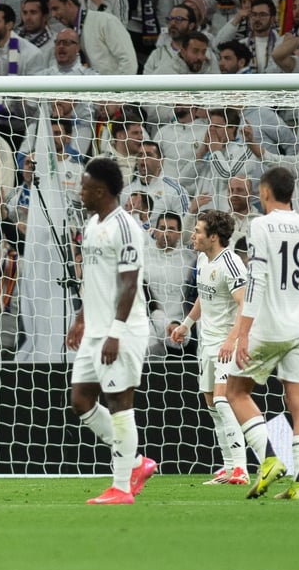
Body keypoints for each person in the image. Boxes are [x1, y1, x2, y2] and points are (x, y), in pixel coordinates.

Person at [225, 166, 299, 501]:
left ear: (266, 192)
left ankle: (268, 459)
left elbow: (257, 279)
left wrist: (243, 333)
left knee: (234, 391)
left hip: (268, 324)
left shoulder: (260, 225)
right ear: (291, 193)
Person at [65, 156, 157, 505]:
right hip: (95, 329)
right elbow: (95, 280)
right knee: (81, 400)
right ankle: (136, 463)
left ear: (101, 191)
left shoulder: (126, 227)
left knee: (120, 404)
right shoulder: (91, 225)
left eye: (85, 187)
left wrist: (116, 332)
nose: (81, 192)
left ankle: (121, 488)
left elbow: (130, 283)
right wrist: (81, 317)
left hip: (123, 330)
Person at [169, 210, 249, 485]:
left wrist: (231, 340)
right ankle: (228, 468)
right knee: (212, 404)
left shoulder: (233, 264)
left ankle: (241, 467)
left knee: (224, 401)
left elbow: (245, 304)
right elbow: (204, 297)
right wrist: (186, 324)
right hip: (207, 342)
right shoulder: (203, 259)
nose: (193, 234)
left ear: (213, 237)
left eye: (199, 231)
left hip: (229, 342)